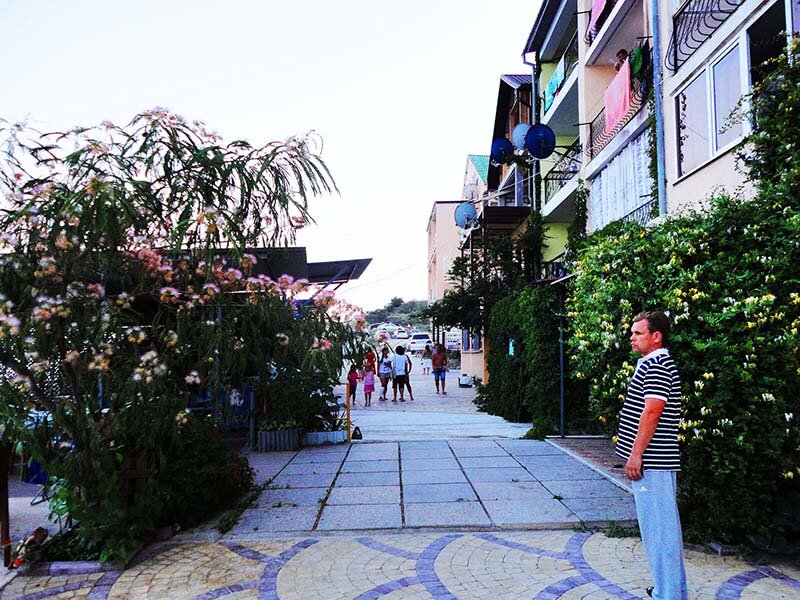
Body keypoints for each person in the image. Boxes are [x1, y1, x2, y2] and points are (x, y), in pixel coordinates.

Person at [616, 311, 687, 600]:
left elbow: (653, 411)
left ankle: (668, 595)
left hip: (653, 462)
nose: (632, 338)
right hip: (653, 461)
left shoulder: (657, 366)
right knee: (659, 529)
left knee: (660, 530)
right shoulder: (652, 363)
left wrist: (636, 455)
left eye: (638, 333)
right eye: (632, 333)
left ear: (656, 336)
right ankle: (670, 590)